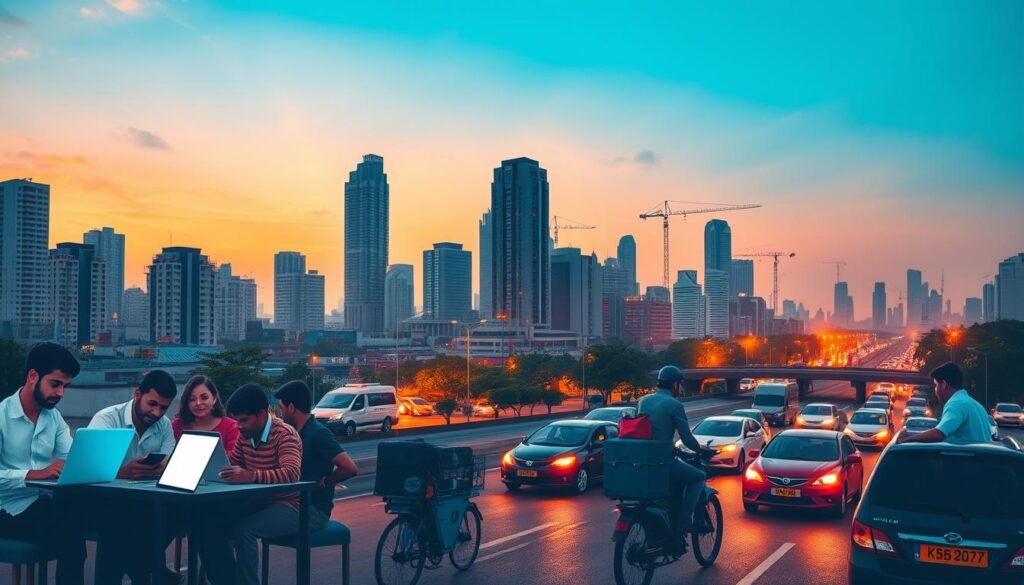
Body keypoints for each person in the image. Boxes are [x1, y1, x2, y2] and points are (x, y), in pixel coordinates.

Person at [197, 383, 302, 585]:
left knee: (245, 530)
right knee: (208, 523)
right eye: (236, 420)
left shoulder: (284, 434)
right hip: (258, 502)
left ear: (262, 415)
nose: (239, 426)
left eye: (244, 420)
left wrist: (251, 475)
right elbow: (232, 463)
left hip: (288, 505)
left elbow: (292, 473)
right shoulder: (245, 436)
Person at [0, 342, 86, 584]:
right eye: (55, 384)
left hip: (42, 505)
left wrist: (79, 467)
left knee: (97, 519)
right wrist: (36, 474)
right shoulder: (1, 417)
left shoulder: (54, 417)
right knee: (71, 531)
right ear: (32, 376)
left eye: (65, 387)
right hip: (7, 509)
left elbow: (70, 458)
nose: (61, 393)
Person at [88, 369, 180, 584]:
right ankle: (149, 567)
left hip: (144, 502)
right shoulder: (107, 420)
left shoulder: (164, 425)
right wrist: (122, 473)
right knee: (123, 520)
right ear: (137, 394)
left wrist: (162, 469)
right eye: (152, 404)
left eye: (163, 407)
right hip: (103, 501)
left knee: (180, 510)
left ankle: (144, 565)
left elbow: (168, 462)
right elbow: (88, 472)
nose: (157, 412)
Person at [636, 365, 713, 554]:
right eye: (680, 384)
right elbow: (686, 439)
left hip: (643, 462)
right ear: (675, 385)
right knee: (698, 477)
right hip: (664, 462)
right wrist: (701, 450)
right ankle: (684, 522)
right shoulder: (675, 405)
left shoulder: (643, 401)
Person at [273, 380, 358, 529]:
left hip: (313, 511)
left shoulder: (318, 433)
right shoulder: (294, 434)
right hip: (293, 503)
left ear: (291, 408)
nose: (280, 414)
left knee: (246, 528)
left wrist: (327, 481)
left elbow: (350, 468)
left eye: (281, 408)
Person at [898, 362, 991, 444]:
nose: (935, 390)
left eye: (936, 385)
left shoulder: (956, 404)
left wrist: (907, 440)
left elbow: (938, 434)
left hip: (966, 463)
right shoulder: (977, 406)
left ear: (944, 384)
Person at [172, 374, 240, 453]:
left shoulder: (231, 427)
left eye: (204, 398)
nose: (198, 403)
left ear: (214, 398)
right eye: (192, 399)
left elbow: (232, 460)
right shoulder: (176, 426)